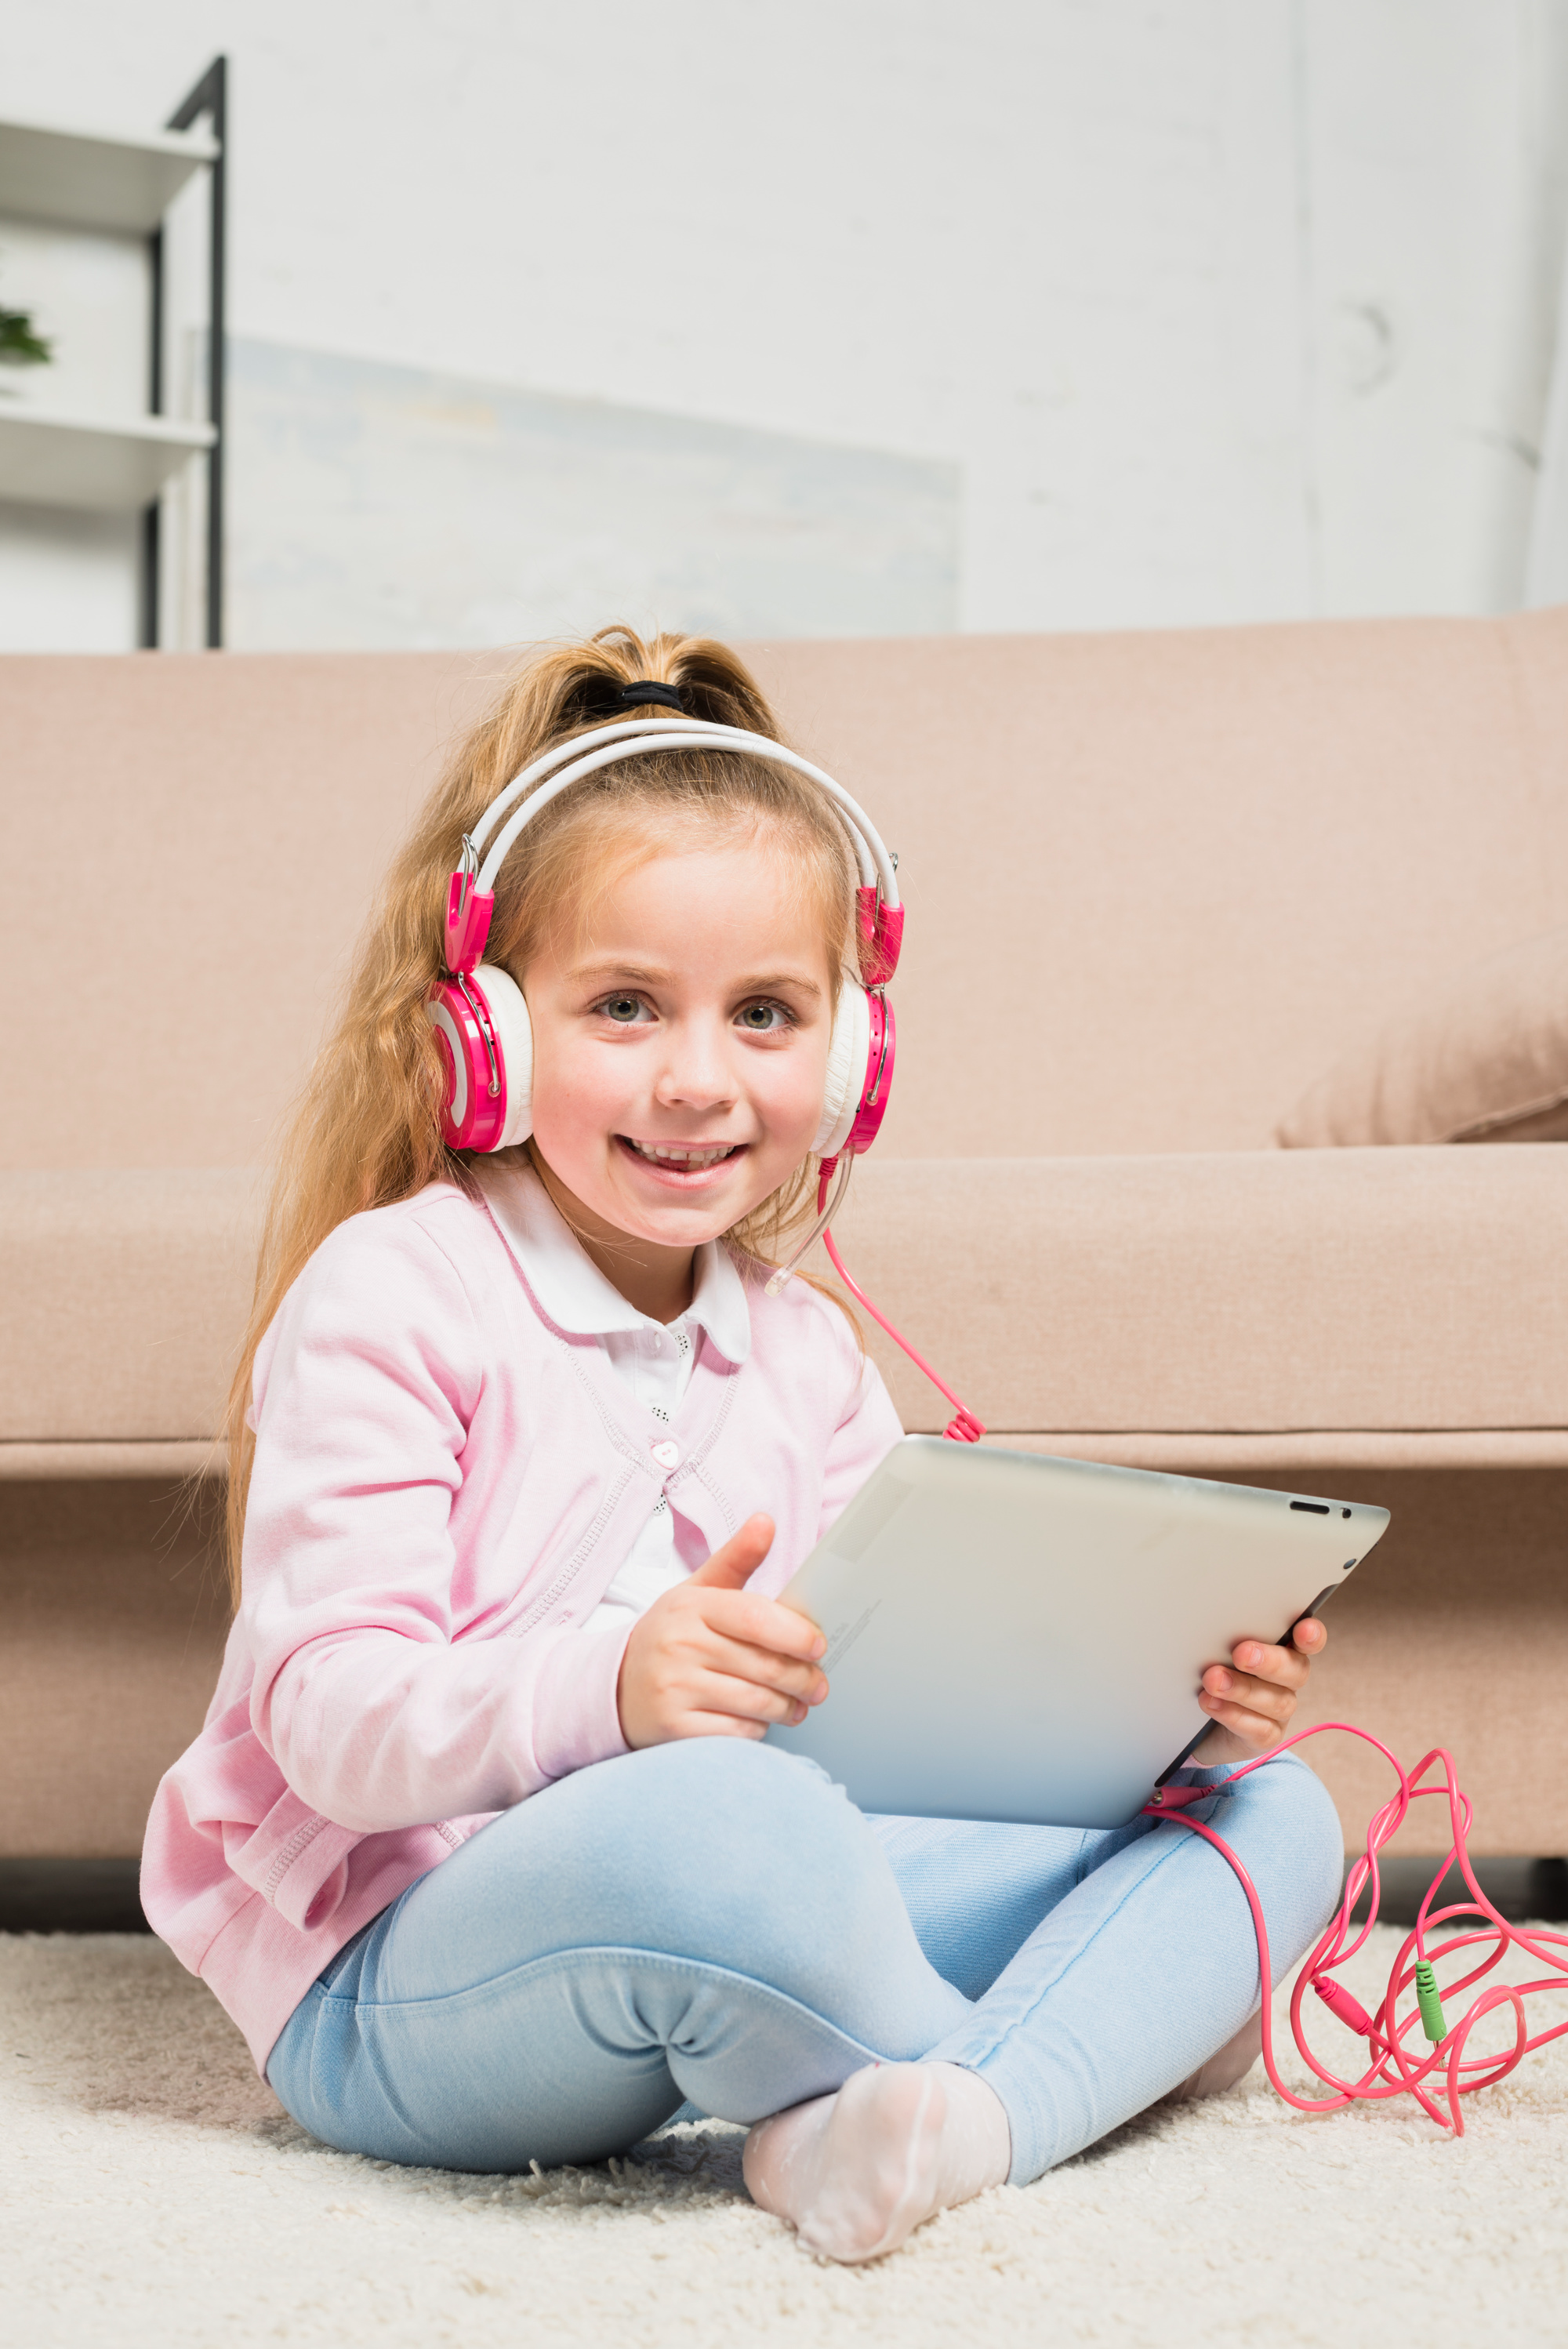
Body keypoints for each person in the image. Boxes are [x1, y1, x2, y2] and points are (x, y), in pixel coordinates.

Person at [143, 626, 1342, 2264]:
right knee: (734, 1818)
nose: (699, 1080)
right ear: (485, 1030)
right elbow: (331, 1721)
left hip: (765, 1903)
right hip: (401, 1971)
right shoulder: (395, 1289)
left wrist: (1156, 1732)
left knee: (1276, 1816)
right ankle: (1042, 2062)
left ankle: (943, 2125)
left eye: (767, 1013)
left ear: (851, 1055)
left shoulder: (802, 1351)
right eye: (624, 1005)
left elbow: (898, 1744)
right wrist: (614, 1690)